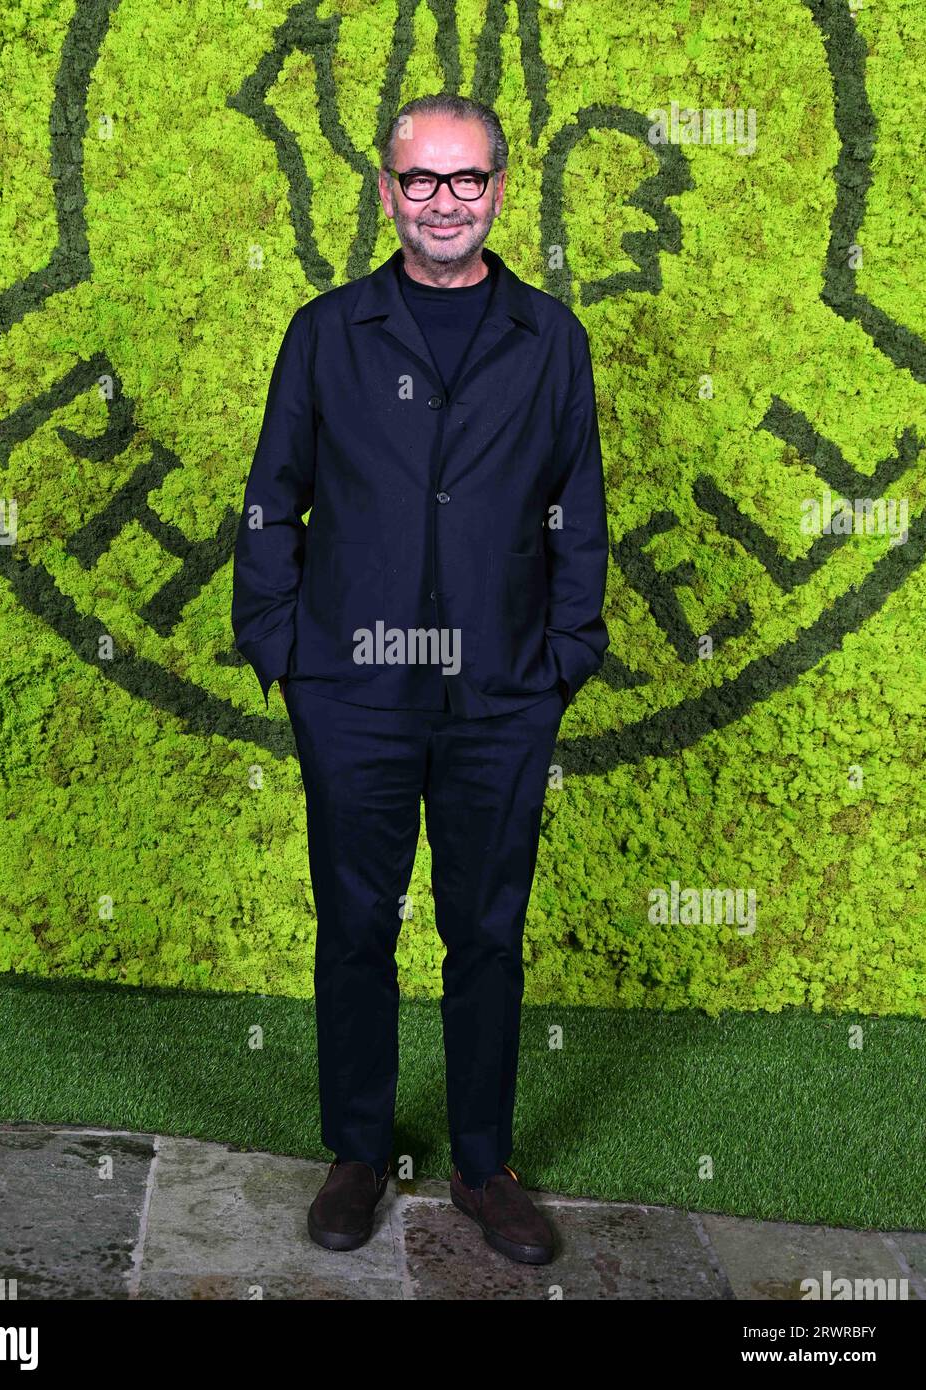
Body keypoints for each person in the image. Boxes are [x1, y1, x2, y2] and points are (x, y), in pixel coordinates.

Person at [232, 92, 610, 1265]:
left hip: (502, 689)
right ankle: (357, 1151)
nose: (443, 201)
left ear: (500, 189)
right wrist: (283, 650)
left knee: (484, 932)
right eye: (420, 181)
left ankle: (484, 1165)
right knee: (354, 924)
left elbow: (580, 512)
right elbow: (269, 497)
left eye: (466, 180)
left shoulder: (550, 338)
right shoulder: (327, 329)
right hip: (352, 684)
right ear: (387, 192)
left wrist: (565, 655)